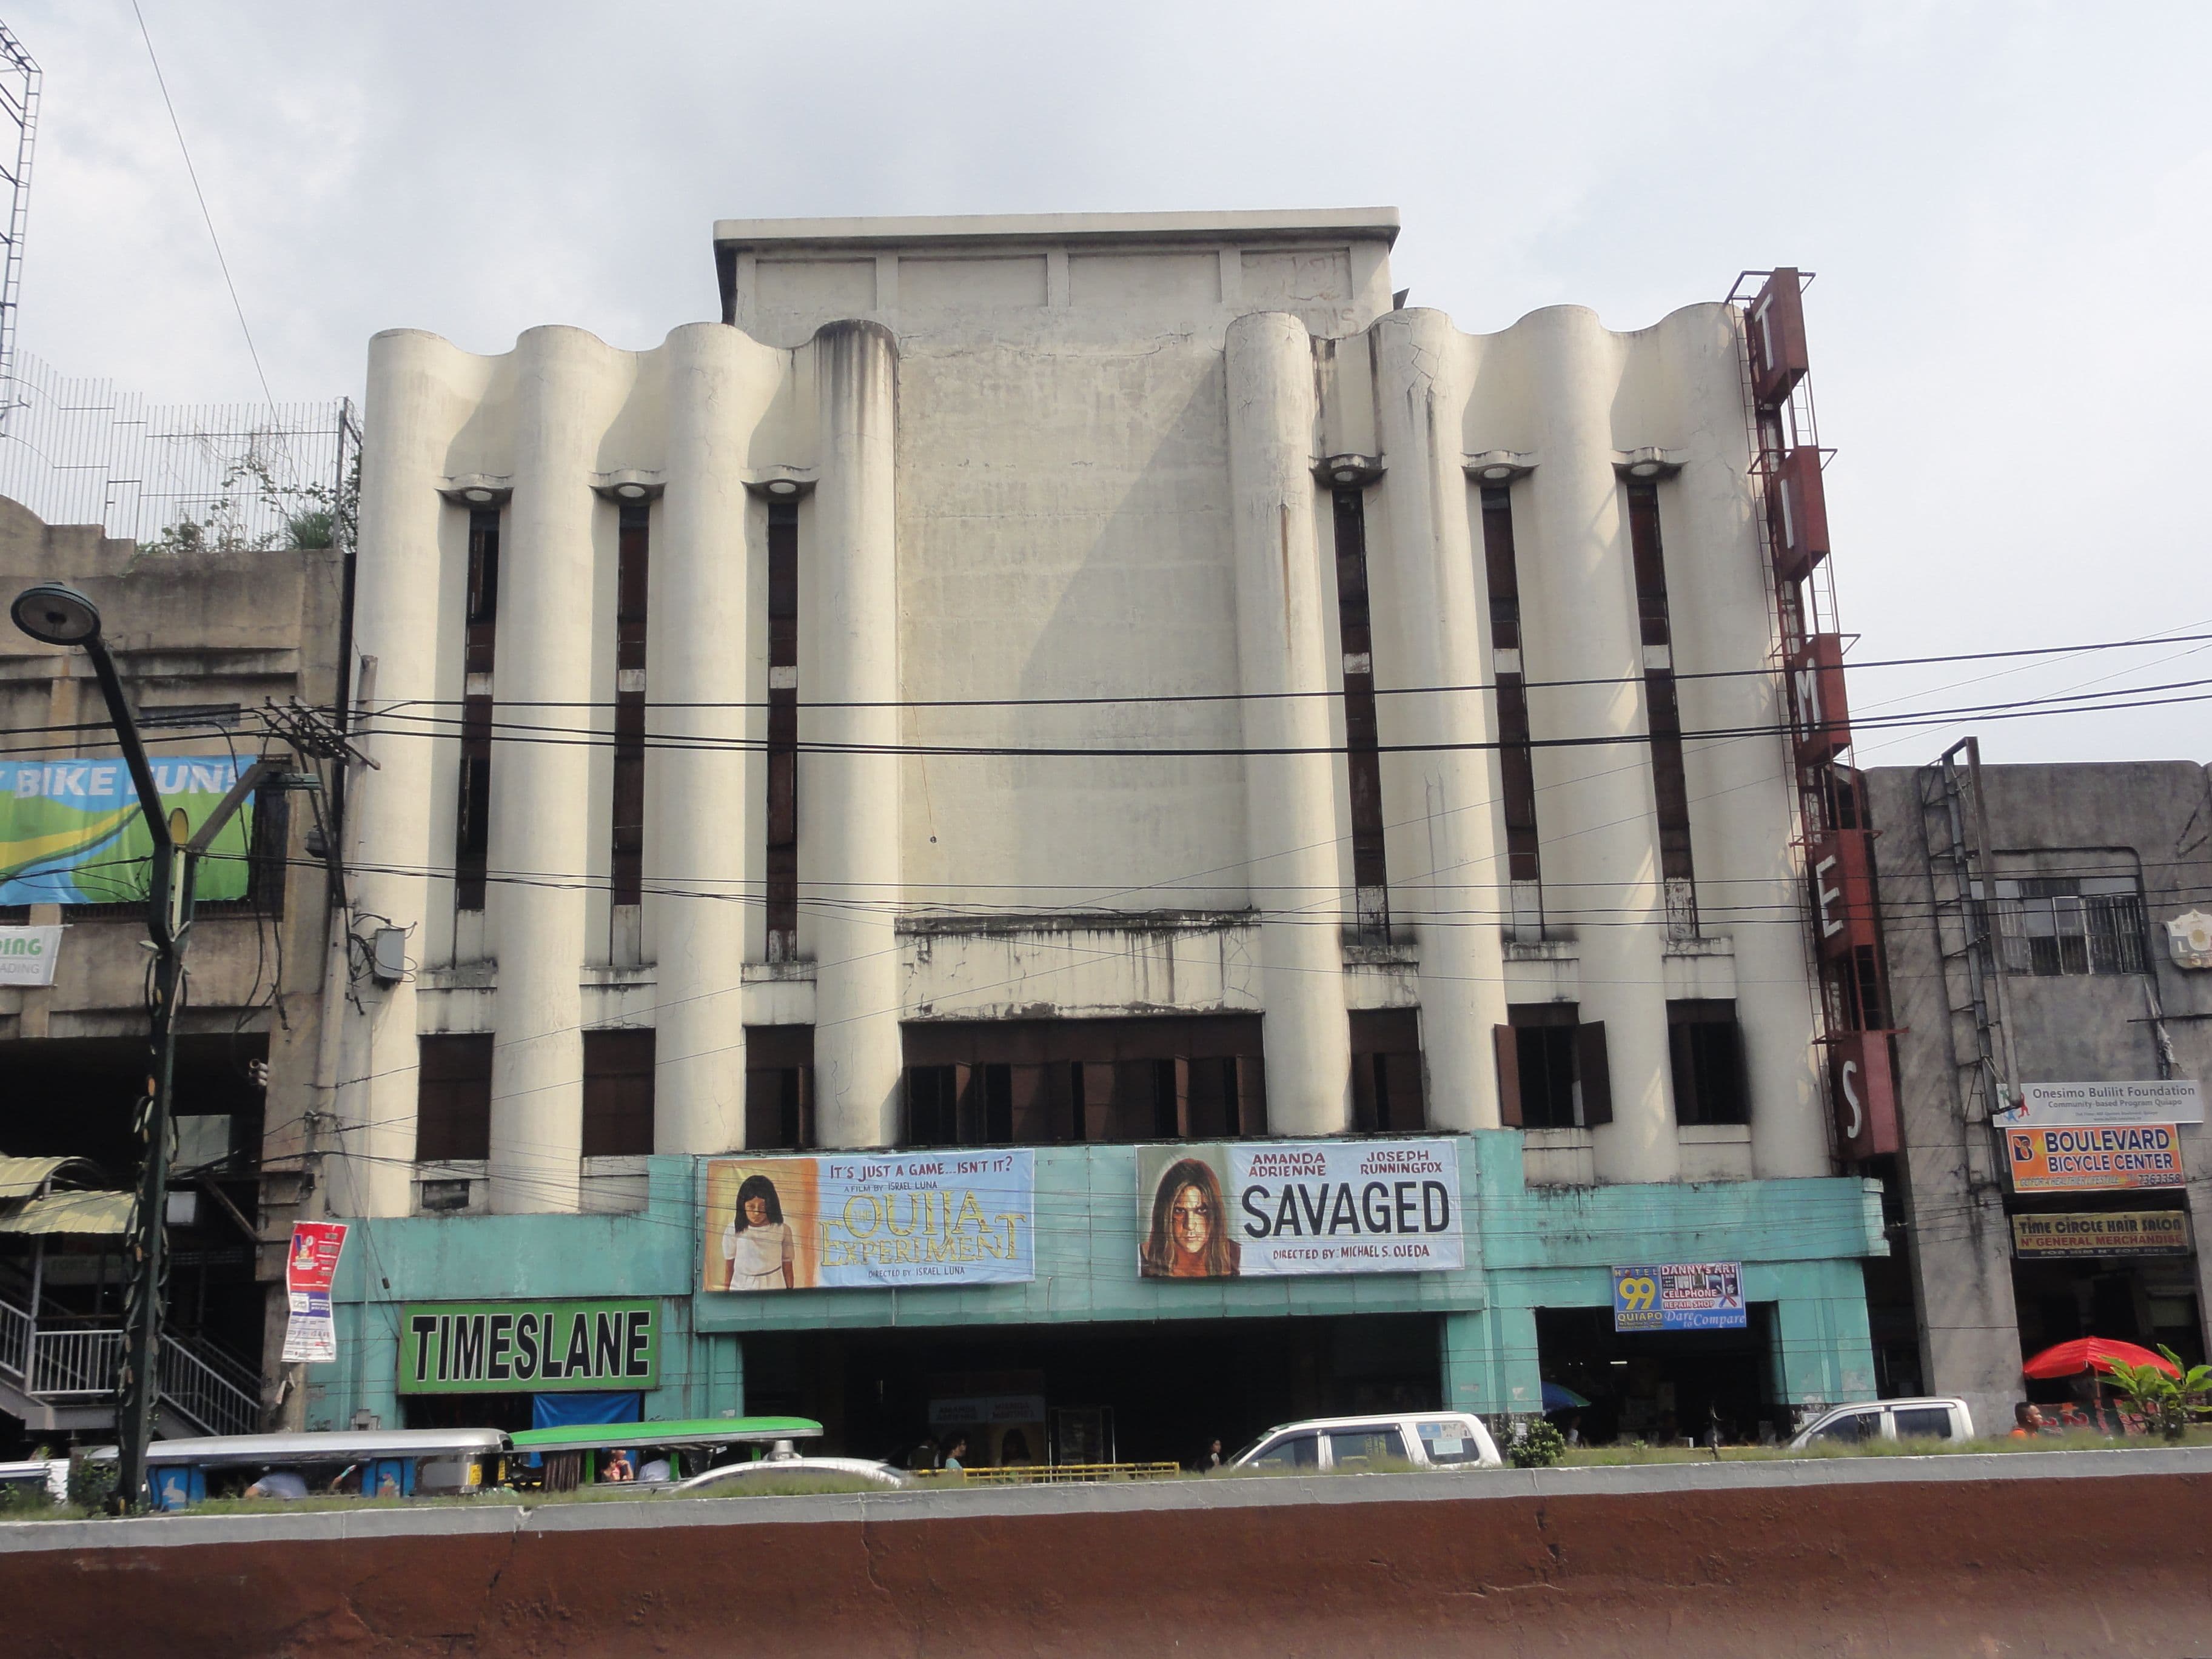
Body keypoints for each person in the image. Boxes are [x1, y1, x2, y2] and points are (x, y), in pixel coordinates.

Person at [1140, 1158, 1240, 1278]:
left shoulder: (1236, 1256)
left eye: (1201, 1210)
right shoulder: (1143, 1259)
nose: (1190, 1225)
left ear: (1215, 1213)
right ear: (1165, 1215)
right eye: (1180, 1211)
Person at [722, 1173, 797, 1292]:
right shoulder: (733, 1230)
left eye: (762, 1207)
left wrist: (790, 1294)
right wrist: (726, 1294)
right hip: (741, 1286)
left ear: (771, 1206)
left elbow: (787, 1266)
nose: (757, 1213)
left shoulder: (782, 1230)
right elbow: (729, 1266)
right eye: (751, 1207)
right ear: (743, 1206)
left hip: (774, 1284)